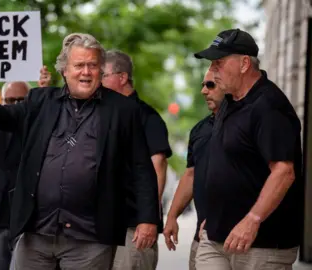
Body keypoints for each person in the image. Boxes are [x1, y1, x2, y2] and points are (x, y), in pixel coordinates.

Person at [0, 32, 160, 270]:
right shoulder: (41, 100)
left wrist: (147, 219)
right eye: (79, 65)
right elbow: (7, 117)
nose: (86, 71)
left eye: (92, 65)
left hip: (91, 237)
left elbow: (141, 167)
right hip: (37, 232)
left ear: (101, 70)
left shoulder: (123, 110)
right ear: (64, 70)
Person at [193, 28, 303, 269]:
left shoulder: (270, 107)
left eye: (219, 63)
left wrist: (252, 220)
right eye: (212, 64)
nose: (212, 71)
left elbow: (284, 171)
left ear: (244, 64)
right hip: (215, 238)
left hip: (260, 244)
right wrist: (212, 217)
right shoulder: (229, 102)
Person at [101, 49, 172, 270]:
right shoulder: (103, 114)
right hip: (103, 224)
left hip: (134, 226)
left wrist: (148, 218)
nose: (97, 79)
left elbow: (158, 166)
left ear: (122, 77)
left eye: (103, 74)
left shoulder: (147, 117)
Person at [0, 67, 51, 270]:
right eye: (10, 100)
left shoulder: (41, 124)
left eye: (22, 100)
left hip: (31, 218)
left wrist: (43, 91)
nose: (16, 105)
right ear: (1, 102)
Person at [163, 70, 224, 270]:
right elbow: (190, 175)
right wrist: (172, 216)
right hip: (204, 235)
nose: (203, 91)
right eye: (203, 85)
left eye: (210, 85)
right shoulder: (199, 130)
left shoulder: (245, 125)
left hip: (239, 235)